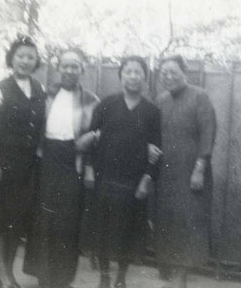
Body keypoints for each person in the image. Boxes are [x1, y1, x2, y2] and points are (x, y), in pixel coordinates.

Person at [23, 48, 99, 288]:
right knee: (44, 218)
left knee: (67, 220)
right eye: (65, 65)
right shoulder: (45, 94)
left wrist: (93, 137)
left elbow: (101, 131)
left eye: (75, 66)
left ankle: (63, 278)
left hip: (73, 159)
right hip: (47, 158)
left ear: (82, 71)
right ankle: (44, 277)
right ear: (58, 68)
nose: (69, 70)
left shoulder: (92, 100)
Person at [0, 36, 46, 288]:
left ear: (36, 61)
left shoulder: (39, 89)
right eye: (21, 56)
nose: (25, 61)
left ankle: (5, 272)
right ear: (12, 58)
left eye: (30, 57)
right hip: (2, 163)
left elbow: (40, 127)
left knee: (18, 220)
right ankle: (4, 274)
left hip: (26, 166)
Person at [85, 56, 161, 288]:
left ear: (145, 78)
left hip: (133, 181)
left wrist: (146, 179)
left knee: (128, 230)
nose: (133, 76)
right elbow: (90, 139)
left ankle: (121, 277)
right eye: (128, 71)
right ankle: (105, 276)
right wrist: (89, 170)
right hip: (105, 177)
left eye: (138, 72)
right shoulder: (106, 104)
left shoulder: (151, 111)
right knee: (104, 228)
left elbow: (157, 150)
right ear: (121, 76)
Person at [155, 55, 217, 288]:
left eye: (173, 72)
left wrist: (199, 169)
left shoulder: (200, 96)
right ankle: (168, 275)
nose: (168, 77)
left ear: (185, 72)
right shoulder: (161, 99)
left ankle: (181, 278)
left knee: (187, 222)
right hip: (166, 171)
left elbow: (208, 134)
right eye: (164, 74)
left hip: (190, 171)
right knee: (167, 221)